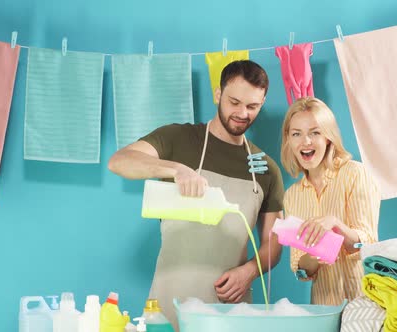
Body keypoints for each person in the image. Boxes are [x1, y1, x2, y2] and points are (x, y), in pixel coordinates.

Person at [108, 60, 284, 329]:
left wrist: (248, 272)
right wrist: (176, 169)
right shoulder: (178, 139)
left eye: (252, 106)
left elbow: (274, 243)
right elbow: (120, 161)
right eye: (234, 102)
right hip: (168, 305)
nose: (242, 113)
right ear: (218, 94)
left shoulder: (264, 168)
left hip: (229, 310)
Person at [280, 97, 380, 305]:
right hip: (323, 309)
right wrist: (313, 253)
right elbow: (301, 270)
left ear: (328, 137)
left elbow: (367, 244)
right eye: (296, 134)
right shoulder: (292, 195)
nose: (305, 141)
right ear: (288, 140)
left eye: (314, 132)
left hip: (365, 304)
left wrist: (335, 224)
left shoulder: (355, 174)